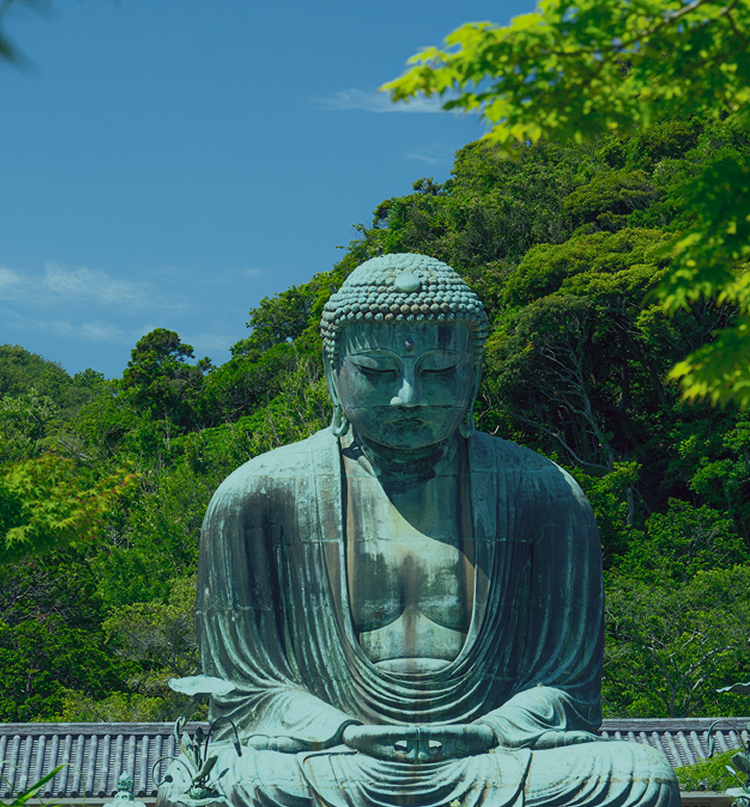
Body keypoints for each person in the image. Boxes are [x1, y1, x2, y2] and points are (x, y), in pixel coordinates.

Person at [158, 254, 678, 807]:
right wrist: (345, 733)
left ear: (474, 373)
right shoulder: (259, 495)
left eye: (438, 371)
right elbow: (244, 694)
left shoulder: (543, 492)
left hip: (489, 758)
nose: (408, 397)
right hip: (333, 761)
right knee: (223, 782)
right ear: (335, 374)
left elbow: (568, 690)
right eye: (378, 374)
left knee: (638, 776)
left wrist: (487, 731)